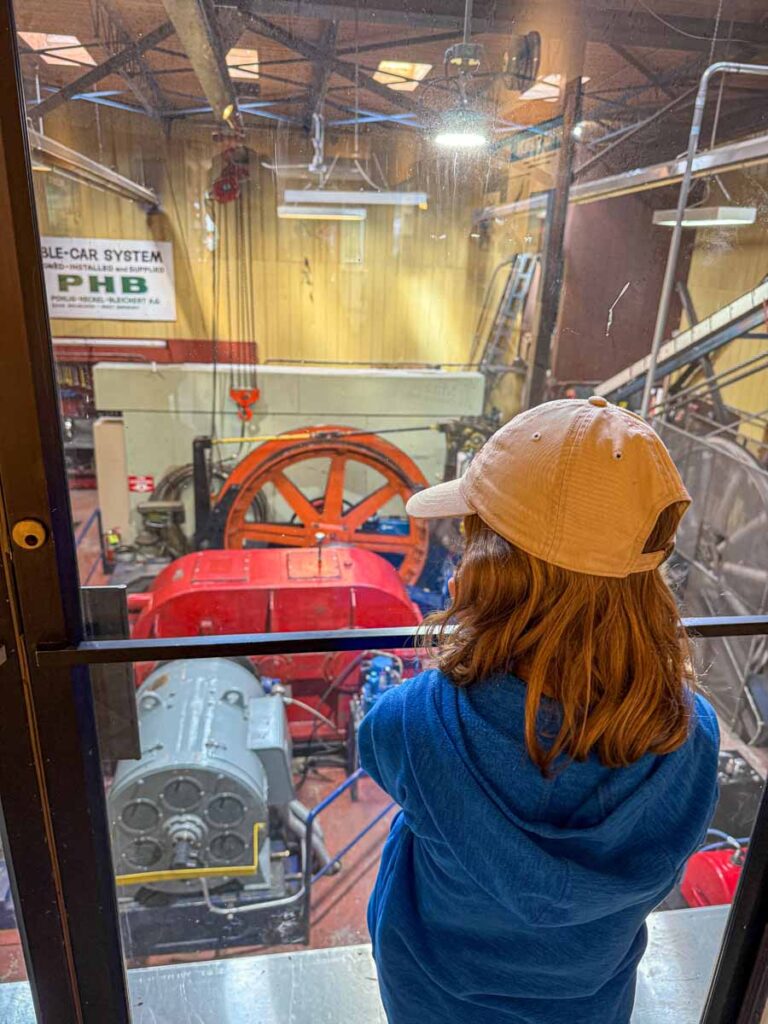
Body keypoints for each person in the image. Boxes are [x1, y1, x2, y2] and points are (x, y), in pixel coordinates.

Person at [358, 397, 719, 1024]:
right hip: (588, 1003)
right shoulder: (691, 736)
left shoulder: (409, 724)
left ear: (491, 568)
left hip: (435, 1002)